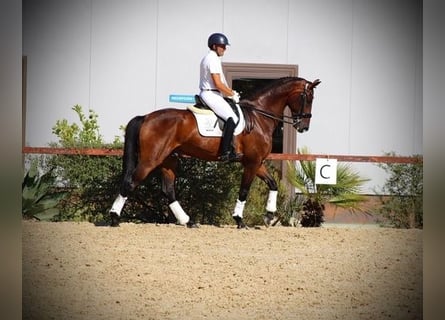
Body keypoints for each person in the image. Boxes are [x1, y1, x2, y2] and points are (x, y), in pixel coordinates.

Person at [199, 32, 242, 162]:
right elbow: (218, 83)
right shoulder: (212, 59)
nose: (225, 48)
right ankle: (225, 152)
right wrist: (232, 94)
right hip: (211, 93)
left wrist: (229, 91)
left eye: (224, 46)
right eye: (222, 46)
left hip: (212, 93)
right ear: (214, 46)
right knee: (232, 118)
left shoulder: (211, 58)